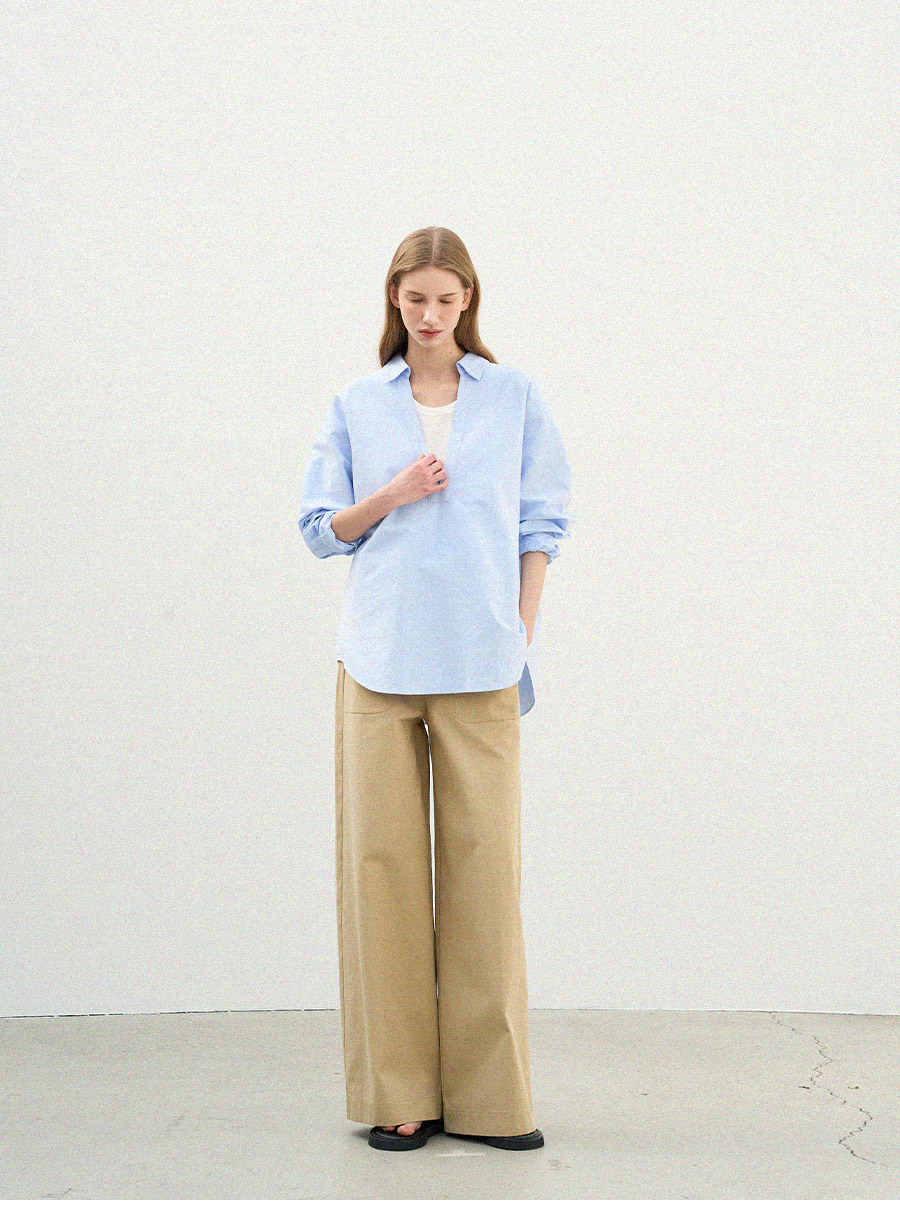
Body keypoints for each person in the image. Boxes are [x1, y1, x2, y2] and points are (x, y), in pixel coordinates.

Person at [298, 226, 572, 1151]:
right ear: (395, 299)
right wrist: (394, 491)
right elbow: (320, 529)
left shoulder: (514, 396)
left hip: (483, 660)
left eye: (445, 300)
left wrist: (521, 622)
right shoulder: (356, 402)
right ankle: (399, 1091)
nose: (429, 315)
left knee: (486, 875)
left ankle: (495, 1100)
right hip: (378, 660)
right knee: (381, 874)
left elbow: (543, 520)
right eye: (414, 298)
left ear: (468, 302)